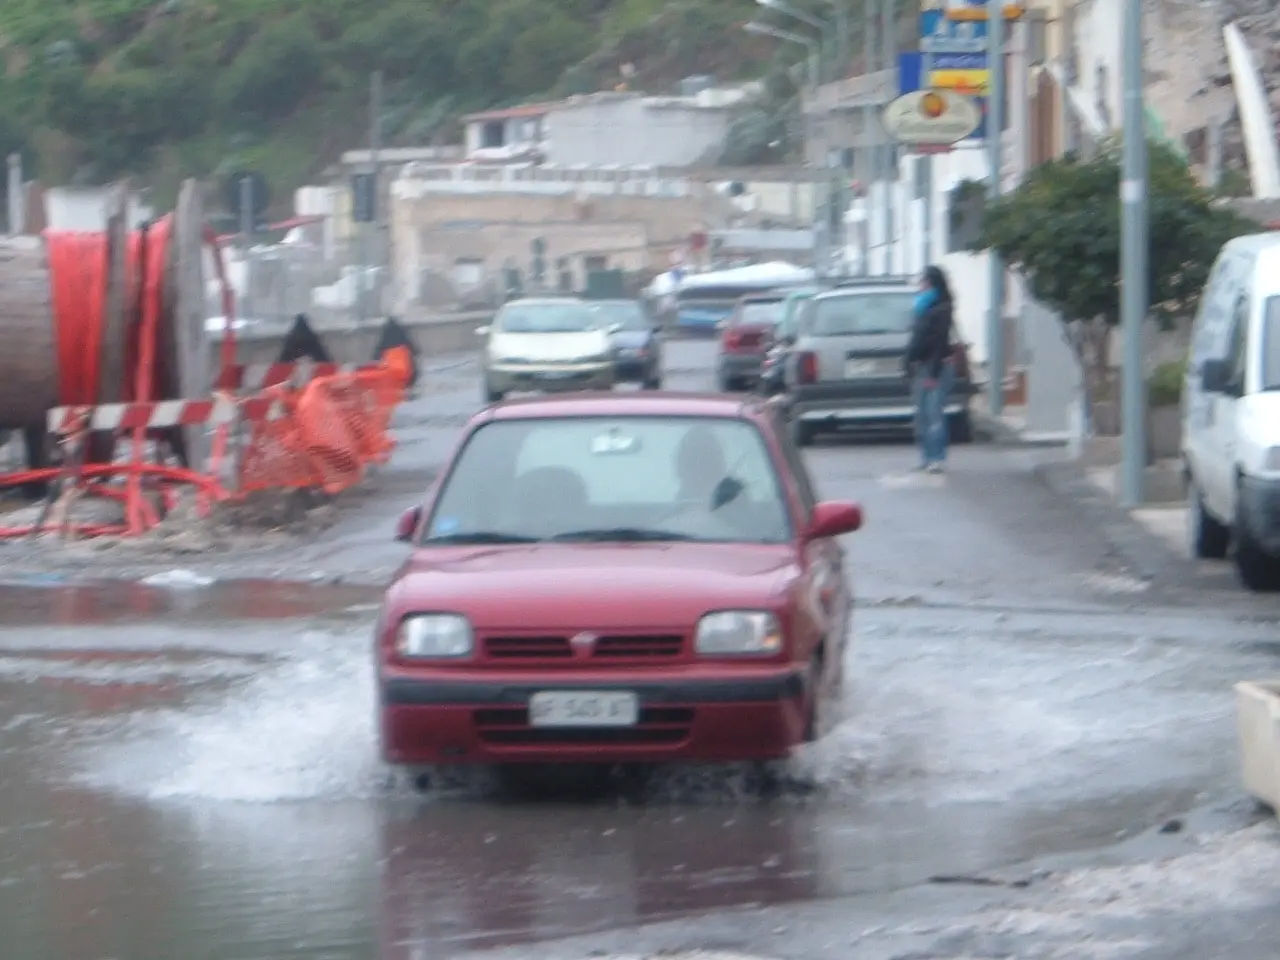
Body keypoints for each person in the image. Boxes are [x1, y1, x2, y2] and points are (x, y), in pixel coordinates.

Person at [905, 264, 956, 474]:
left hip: (937, 366)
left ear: (932, 282)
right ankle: (926, 457)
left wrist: (934, 374)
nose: (921, 284)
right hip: (921, 366)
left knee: (934, 413)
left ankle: (937, 458)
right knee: (921, 415)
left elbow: (938, 342)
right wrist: (908, 362)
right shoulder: (921, 306)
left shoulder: (942, 308)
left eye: (924, 280)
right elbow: (916, 340)